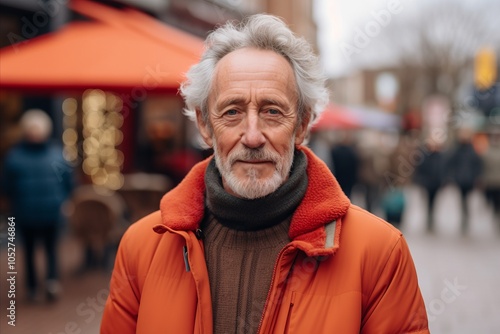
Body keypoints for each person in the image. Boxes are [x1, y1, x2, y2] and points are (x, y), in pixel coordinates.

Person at [101, 14, 429, 333]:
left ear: (301, 124)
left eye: (272, 111)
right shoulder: (141, 248)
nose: (253, 136)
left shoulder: (378, 254)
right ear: (204, 125)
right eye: (232, 112)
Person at [2, 109, 74, 302]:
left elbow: (68, 181)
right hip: (28, 211)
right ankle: (35, 286)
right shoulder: (17, 156)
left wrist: (66, 200)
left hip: (48, 210)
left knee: (50, 249)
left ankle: (50, 281)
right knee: (31, 250)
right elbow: (6, 186)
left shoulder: (54, 154)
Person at [446, 127, 483, 235]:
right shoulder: (457, 150)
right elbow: (450, 163)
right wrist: (452, 176)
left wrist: (477, 177)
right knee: (462, 200)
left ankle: (466, 217)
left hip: (470, 180)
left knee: (467, 200)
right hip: (460, 180)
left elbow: (477, 165)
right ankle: (464, 217)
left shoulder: (472, 150)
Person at [413, 140, 446, 232]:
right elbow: (420, 169)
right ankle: (428, 219)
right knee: (427, 202)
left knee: (434, 202)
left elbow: (443, 169)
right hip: (427, 183)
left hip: (436, 184)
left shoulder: (441, 157)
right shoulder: (425, 156)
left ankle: (432, 219)